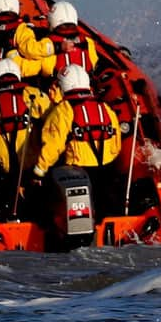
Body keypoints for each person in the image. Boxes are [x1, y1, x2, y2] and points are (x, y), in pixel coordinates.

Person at [32, 64, 121, 218]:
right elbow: (117, 143)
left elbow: (53, 146)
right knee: (105, 207)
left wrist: (39, 172)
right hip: (107, 169)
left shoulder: (64, 110)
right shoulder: (105, 107)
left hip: (77, 171)